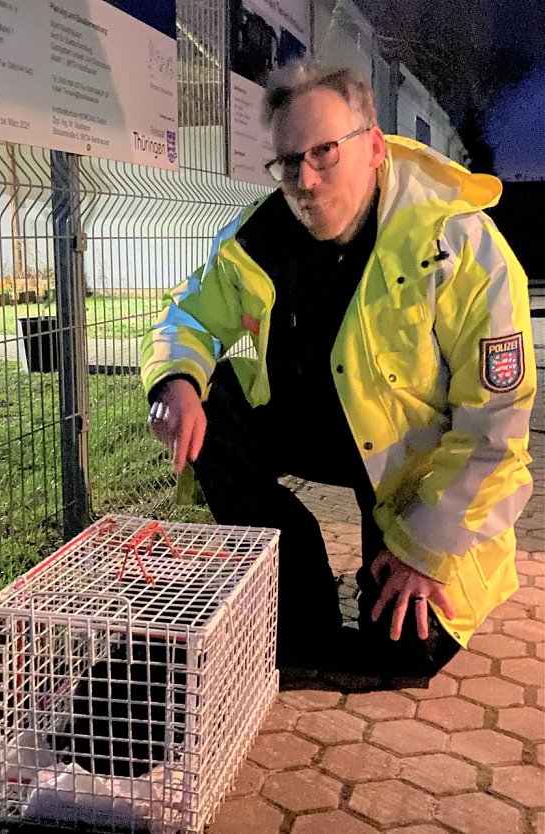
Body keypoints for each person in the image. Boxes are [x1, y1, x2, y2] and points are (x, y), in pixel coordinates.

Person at [140, 62, 536, 691]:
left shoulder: (459, 245)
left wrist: (421, 550)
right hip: (317, 422)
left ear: (374, 146)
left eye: (325, 151)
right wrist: (176, 384)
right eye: (288, 161)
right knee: (209, 407)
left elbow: (496, 429)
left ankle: (396, 551)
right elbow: (187, 314)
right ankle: (294, 579)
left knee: (404, 650)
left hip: (410, 462)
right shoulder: (261, 236)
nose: (306, 179)